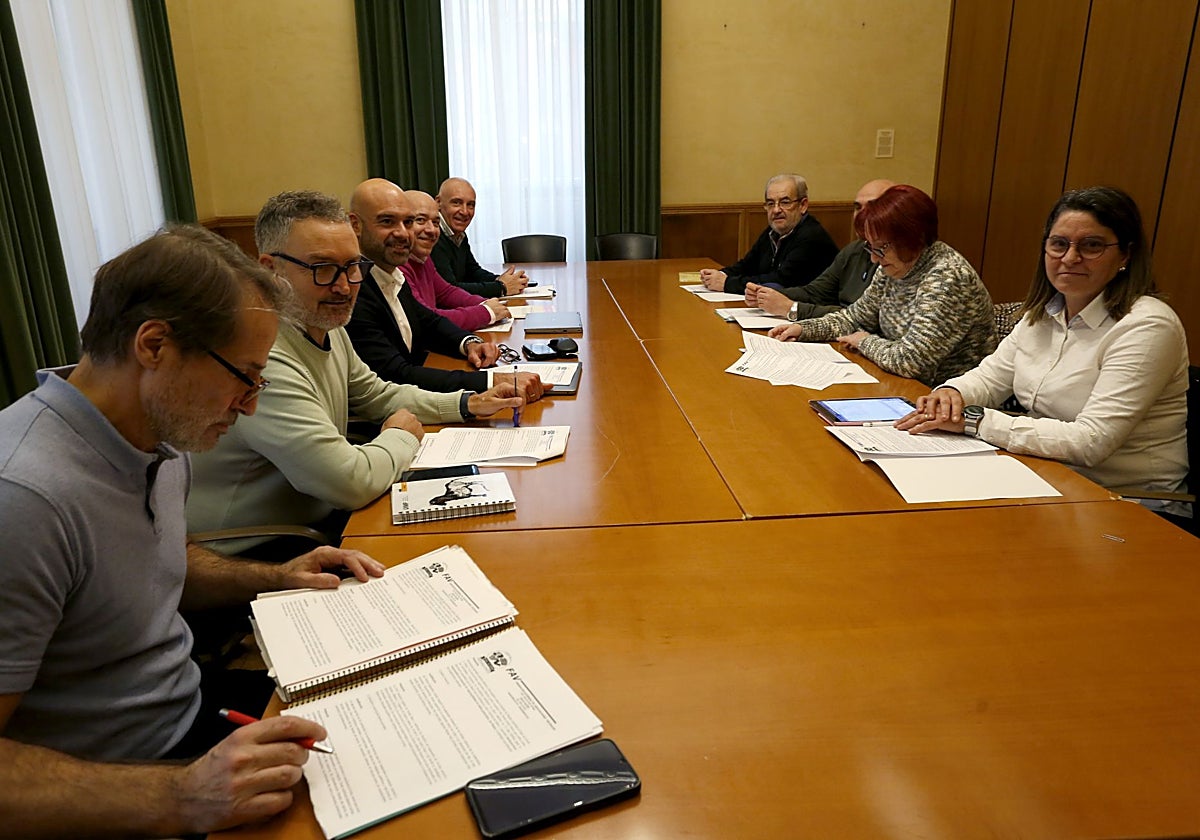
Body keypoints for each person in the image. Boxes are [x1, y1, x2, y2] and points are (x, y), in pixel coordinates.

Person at [0, 226, 388, 837]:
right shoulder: (22, 497)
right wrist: (179, 796)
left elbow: (163, 567)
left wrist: (275, 577)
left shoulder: (160, 436)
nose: (251, 405)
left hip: (195, 717)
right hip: (118, 789)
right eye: (244, 376)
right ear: (154, 345)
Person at [187, 191, 525, 555]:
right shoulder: (262, 357)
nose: (344, 286)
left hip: (322, 519)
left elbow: (377, 394)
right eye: (322, 269)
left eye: (352, 267)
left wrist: (468, 404)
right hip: (262, 551)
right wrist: (400, 436)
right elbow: (350, 482)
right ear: (271, 270)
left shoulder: (325, 326)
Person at [895, 186, 1189, 516]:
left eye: (1092, 246)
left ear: (1125, 255)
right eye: (1059, 244)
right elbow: (991, 378)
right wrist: (952, 394)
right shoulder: (1043, 313)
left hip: (1128, 503)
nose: (1070, 257)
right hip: (1049, 477)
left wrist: (974, 420)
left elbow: (1090, 442)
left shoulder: (1147, 327)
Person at [768, 185, 996, 385]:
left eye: (881, 248)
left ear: (912, 238)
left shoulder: (946, 278)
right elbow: (854, 318)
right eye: (871, 247)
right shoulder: (893, 266)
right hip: (895, 381)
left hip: (941, 398)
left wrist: (865, 341)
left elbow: (910, 361)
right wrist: (804, 329)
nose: (874, 259)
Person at [346, 179, 544, 399]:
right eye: (387, 221)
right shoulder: (352, 290)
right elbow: (396, 374)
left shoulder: (389, 272)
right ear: (355, 224)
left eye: (408, 222)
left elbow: (428, 321)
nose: (403, 233)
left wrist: (469, 343)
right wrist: (490, 380)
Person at [745, 179, 895, 318]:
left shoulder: (899, 259)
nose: (861, 215)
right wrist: (767, 295)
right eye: (858, 208)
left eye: (872, 207)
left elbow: (863, 318)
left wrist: (792, 308)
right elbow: (816, 292)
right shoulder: (854, 249)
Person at [699, 173, 839, 295]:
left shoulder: (812, 237)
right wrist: (720, 274)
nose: (776, 210)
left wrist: (727, 283)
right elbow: (748, 264)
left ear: (803, 205)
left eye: (785, 202)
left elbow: (782, 281)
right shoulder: (774, 231)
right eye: (771, 203)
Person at [403, 189, 509, 330]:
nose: (431, 230)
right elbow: (427, 320)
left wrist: (486, 303)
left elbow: (446, 292)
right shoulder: (398, 266)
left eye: (435, 222)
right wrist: (487, 311)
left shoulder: (422, 257)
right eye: (420, 220)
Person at [431, 176, 529, 296]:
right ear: (438, 203)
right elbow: (450, 289)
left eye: (471, 205)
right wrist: (501, 287)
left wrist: (501, 280)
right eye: (456, 203)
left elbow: (472, 271)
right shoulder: (433, 236)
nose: (465, 211)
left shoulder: (457, 234)